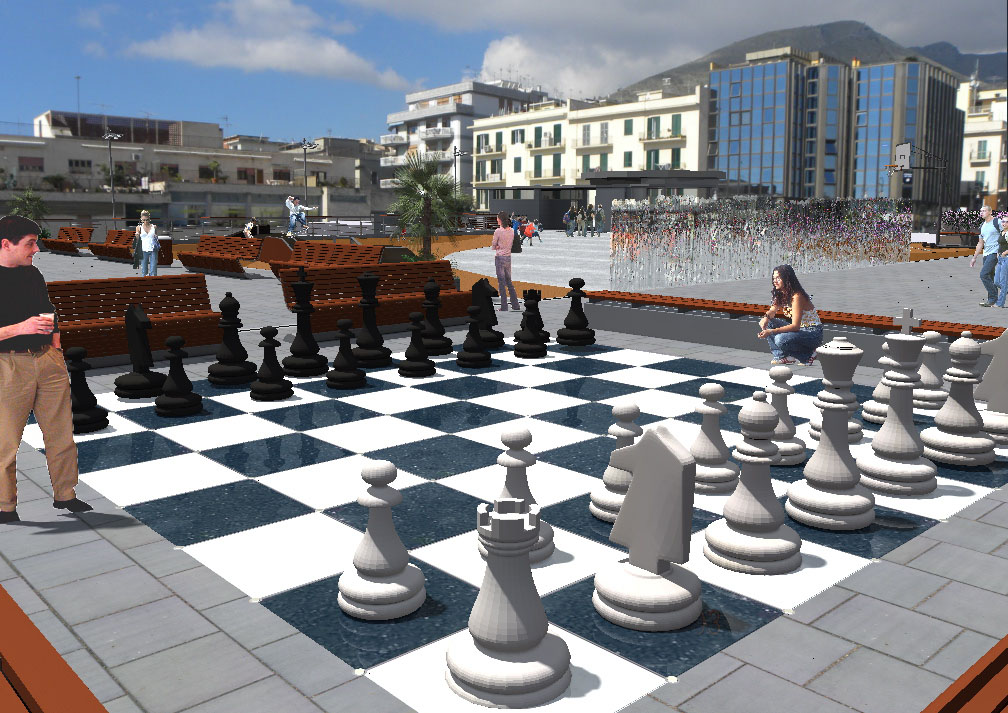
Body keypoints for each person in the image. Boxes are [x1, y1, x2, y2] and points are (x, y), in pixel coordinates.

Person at [0, 215, 93, 523]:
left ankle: (65, 495)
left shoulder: (33, 274)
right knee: (6, 442)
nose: (36, 249)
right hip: (9, 365)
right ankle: (5, 506)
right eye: (30, 244)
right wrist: (19, 328)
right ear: (6, 244)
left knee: (61, 435)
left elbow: (48, 312)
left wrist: (56, 348)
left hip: (47, 361)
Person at [757, 264, 824, 366]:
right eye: (774, 278)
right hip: (800, 331)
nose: (775, 281)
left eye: (778, 278)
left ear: (787, 279)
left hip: (812, 333)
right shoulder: (781, 293)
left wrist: (771, 331)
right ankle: (783, 356)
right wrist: (765, 318)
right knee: (769, 322)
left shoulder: (797, 296)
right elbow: (773, 310)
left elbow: (795, 326)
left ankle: (807, 355)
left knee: (780, 339)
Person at [971, 205, 1003, 306]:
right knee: (990, 276)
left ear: (990, 212)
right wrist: (974, 257)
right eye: (981, 211)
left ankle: (993, 297)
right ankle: (992, 300)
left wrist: (1001, 251)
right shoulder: (982, 225)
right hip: (986, 253)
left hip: (995, 252)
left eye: (984, 211)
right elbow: (980, 243)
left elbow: (1005, 235)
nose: (982, 213)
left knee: (983, 274)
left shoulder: (997, 222)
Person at [491, 210, 521, 311]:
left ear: (500, 220)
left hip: (499, 257)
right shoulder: (511, 230)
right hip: (508, 257)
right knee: (509, 282)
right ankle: (515, 305)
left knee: (501, 283)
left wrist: (497, 246)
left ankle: (504, 306)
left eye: (497, 218)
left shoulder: (498, 231)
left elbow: (493, 246)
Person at [133, 210, 159, 276]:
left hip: (153, 249)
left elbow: (156, 237)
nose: (145, 221)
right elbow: (137, 239)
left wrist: (155, 236)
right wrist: (137, 235)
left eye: (147, 220)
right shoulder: (139, 227)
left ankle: (153, 281)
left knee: (153, 270)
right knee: (144, 271)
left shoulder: (154, 227)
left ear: (149, 219)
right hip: (143, 250)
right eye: (143, 220)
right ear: (141, 219)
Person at [995, 219, 1008, 308]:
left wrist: (1005, 253)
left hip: (1006, 258)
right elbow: (1000, 244)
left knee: (1003, 282)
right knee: (996, 281)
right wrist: (998, 253)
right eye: (1003, 221)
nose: (1005, 223)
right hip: (1000, 258)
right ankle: (1005, 288)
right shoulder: (1001, 232)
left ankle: (1000, 303)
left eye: (1007, 222)